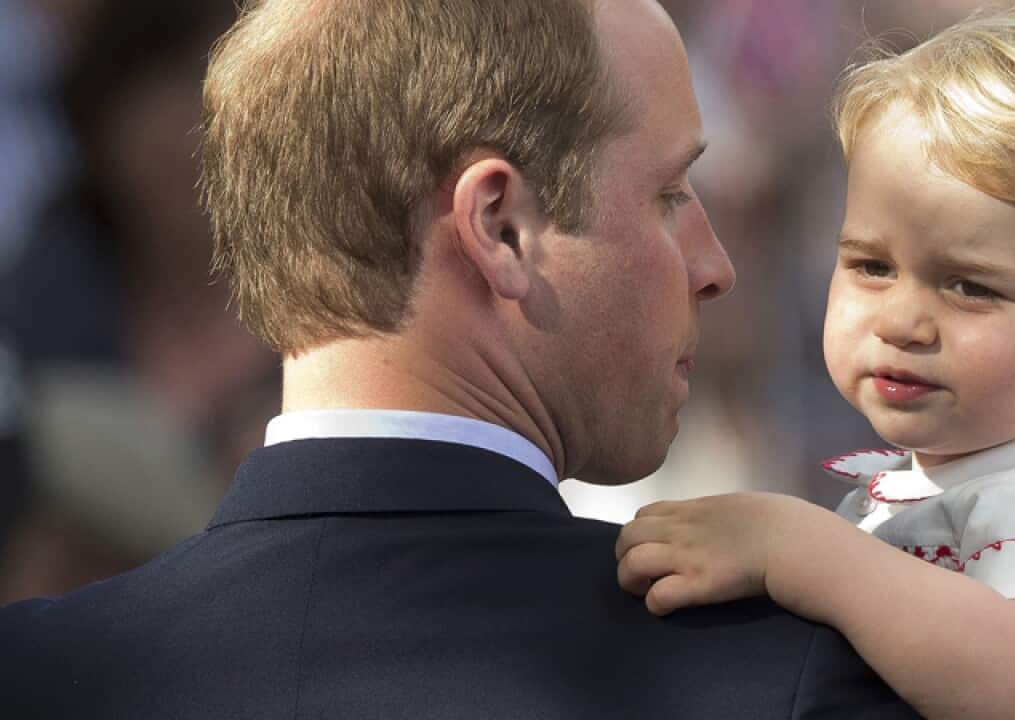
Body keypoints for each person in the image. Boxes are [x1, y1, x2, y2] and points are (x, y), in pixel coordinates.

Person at [0, 0, 920, 717]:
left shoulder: (36, 676)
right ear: (500, 227)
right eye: (671, 192)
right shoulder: (774, 678)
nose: (713, 268)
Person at [616, 6, 1015, 720]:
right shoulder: (907, 493)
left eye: (969, 286)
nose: (900, 321)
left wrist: (798, 550)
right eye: (871, 265)